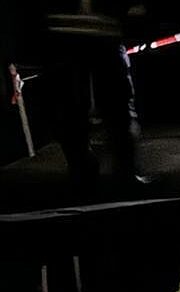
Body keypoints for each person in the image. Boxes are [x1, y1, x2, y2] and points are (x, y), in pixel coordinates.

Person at [41, 0, 146, 193]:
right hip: (92, 30)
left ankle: (86, 171)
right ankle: (120, 172)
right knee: (114, 107)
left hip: (68, 30)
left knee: (74, 108)